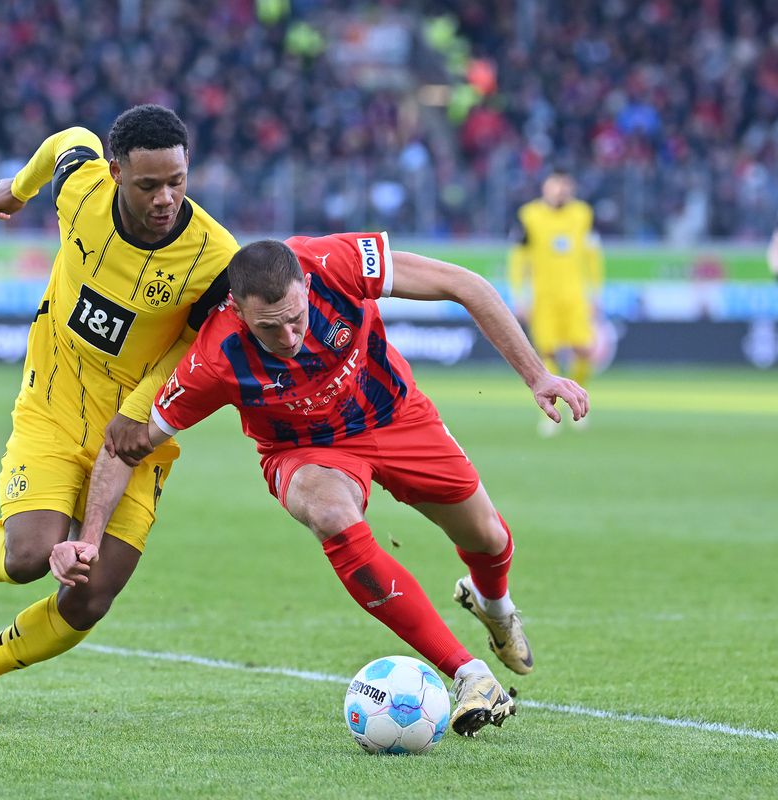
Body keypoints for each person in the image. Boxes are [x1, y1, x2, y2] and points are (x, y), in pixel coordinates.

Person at [57, 234, 589, 737]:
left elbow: (464, 284)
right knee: (332, 513)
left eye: (295, 319)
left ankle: (494, 608)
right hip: (305, 453)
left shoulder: (336, 263)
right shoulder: (215, 360)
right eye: (269, 329)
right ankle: (469, 673)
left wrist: (538, 375)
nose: (288, 339)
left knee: (489, 539)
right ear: (239, 313)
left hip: (396, 416)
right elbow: (124, 443)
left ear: (306, 289)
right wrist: (90, 538)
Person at [0, 105, 239, 725]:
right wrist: (15, 189)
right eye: (148, 185)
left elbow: (194, 350)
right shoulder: (81, 191)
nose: (166, 197)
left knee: (90, 597)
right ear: (115, 174)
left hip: (140, 427)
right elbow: (69, 139)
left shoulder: (216, 259)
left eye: (178, 181)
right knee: (33, 552)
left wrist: (139, 417)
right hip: (55, 403)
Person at [509, 170, 603, 434]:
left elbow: (593, 256)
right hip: (543, 298)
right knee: (547, 353)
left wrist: (595, 293)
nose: (560, 189)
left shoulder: (583, 214)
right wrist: (519, 295)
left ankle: (578, 399)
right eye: (556, 184)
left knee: (584, 349)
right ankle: (552, 413)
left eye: (565, 184)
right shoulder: (529, 216)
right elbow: (519, 259)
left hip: (574, 296)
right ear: (545, 186)